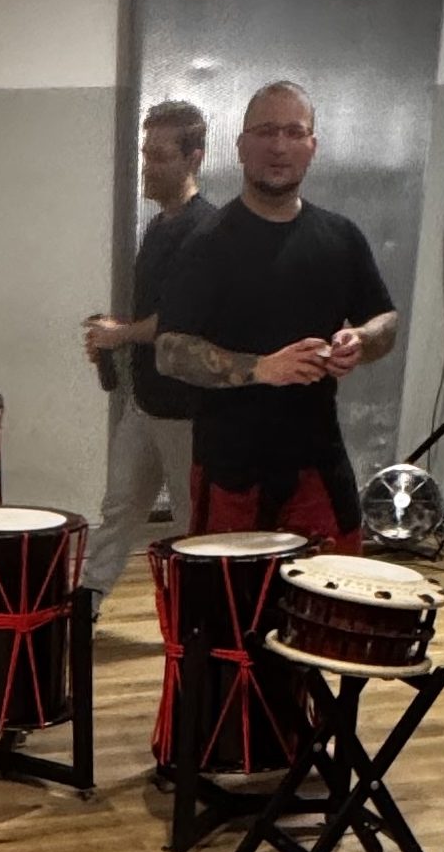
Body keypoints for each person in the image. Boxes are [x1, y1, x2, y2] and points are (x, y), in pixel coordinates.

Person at [153, 80, 398, 546]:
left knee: (332, 603)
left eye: (293, 132)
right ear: (243, 145)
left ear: (312, 146)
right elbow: (169, 351)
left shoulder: (341, 238)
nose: (279, 146)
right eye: (266, 132)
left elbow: (385, 319)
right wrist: (263, 368)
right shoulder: (205, 244)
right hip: (232, 467)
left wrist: (363, 341)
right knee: (227, 610)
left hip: (318, 460)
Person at [78, 102, 221, 600]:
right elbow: (154, 316)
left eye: (159, 155)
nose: (147, 165)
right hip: (145, 403)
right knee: (119, 509)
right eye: (145, 153)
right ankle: (84, 609)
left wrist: (121, 334)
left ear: (193, 158)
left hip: (188, 411)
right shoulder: (159, 225)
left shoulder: (207, 231)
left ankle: (200, 624)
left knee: (192, 527)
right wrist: (118, 334)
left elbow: (183, 321)